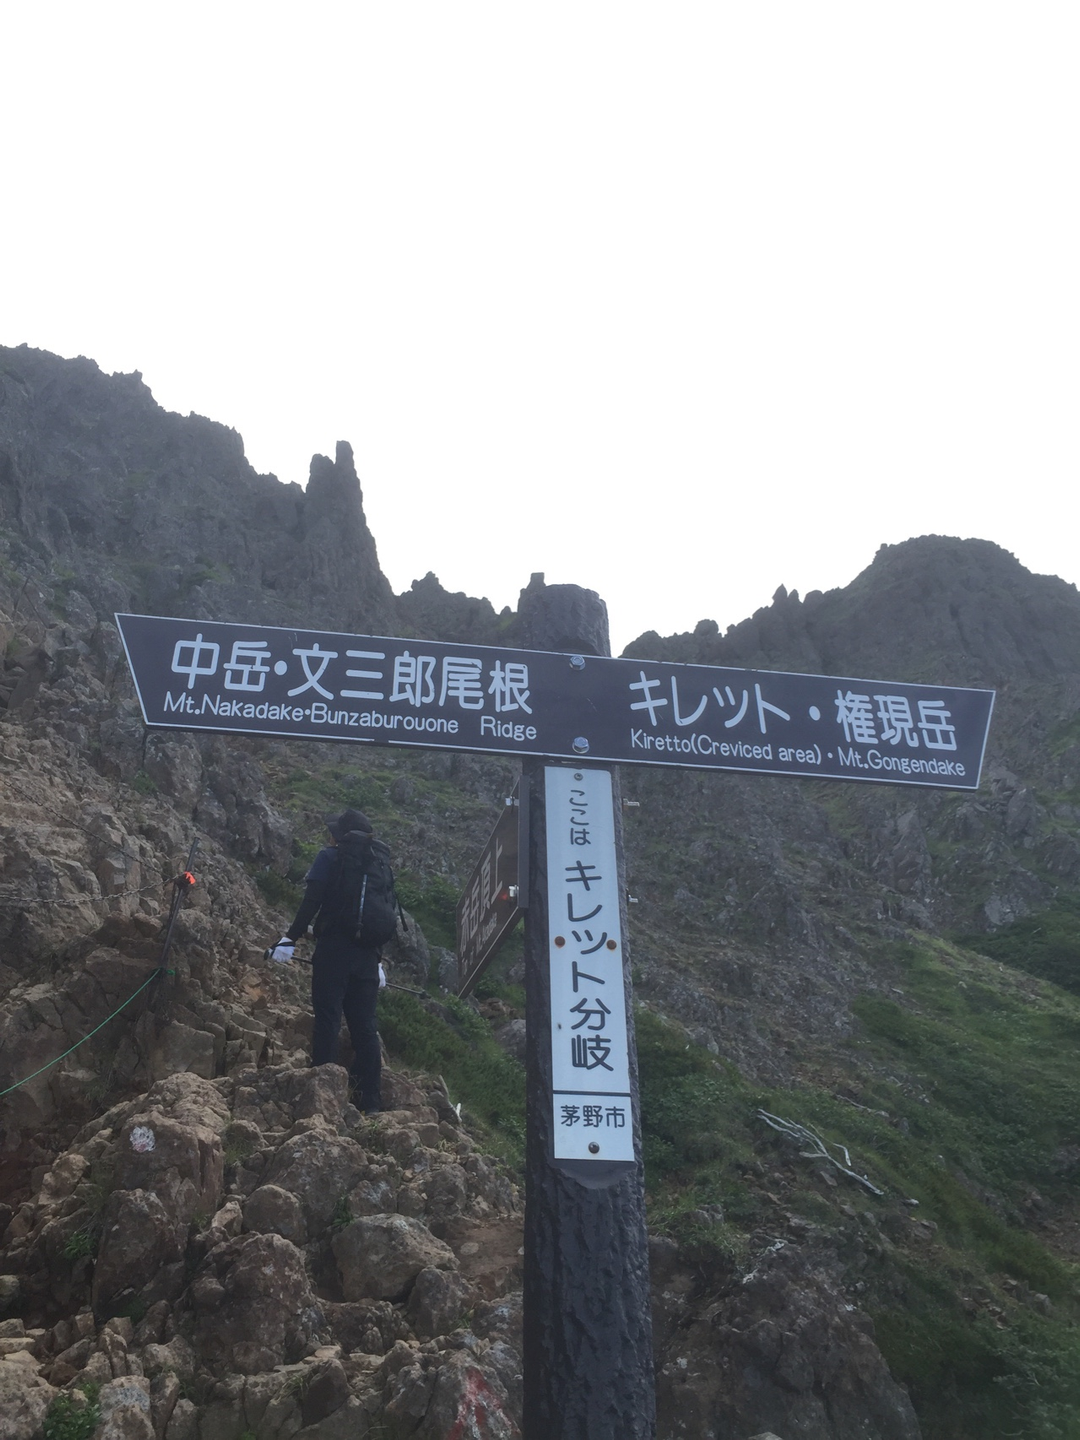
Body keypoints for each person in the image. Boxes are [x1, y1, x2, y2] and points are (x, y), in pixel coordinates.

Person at [274, 808, 397, 1113]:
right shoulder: (379, 866)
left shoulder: (329, 858)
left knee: (328, 1019)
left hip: (333, 951)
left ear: (339, 836)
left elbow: (311, 902)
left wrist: (290, 938)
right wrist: (377, 960)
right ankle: (370, 1102)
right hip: (367, 957)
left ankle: (322, 1096)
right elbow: (381, 914)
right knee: (365, 1027)